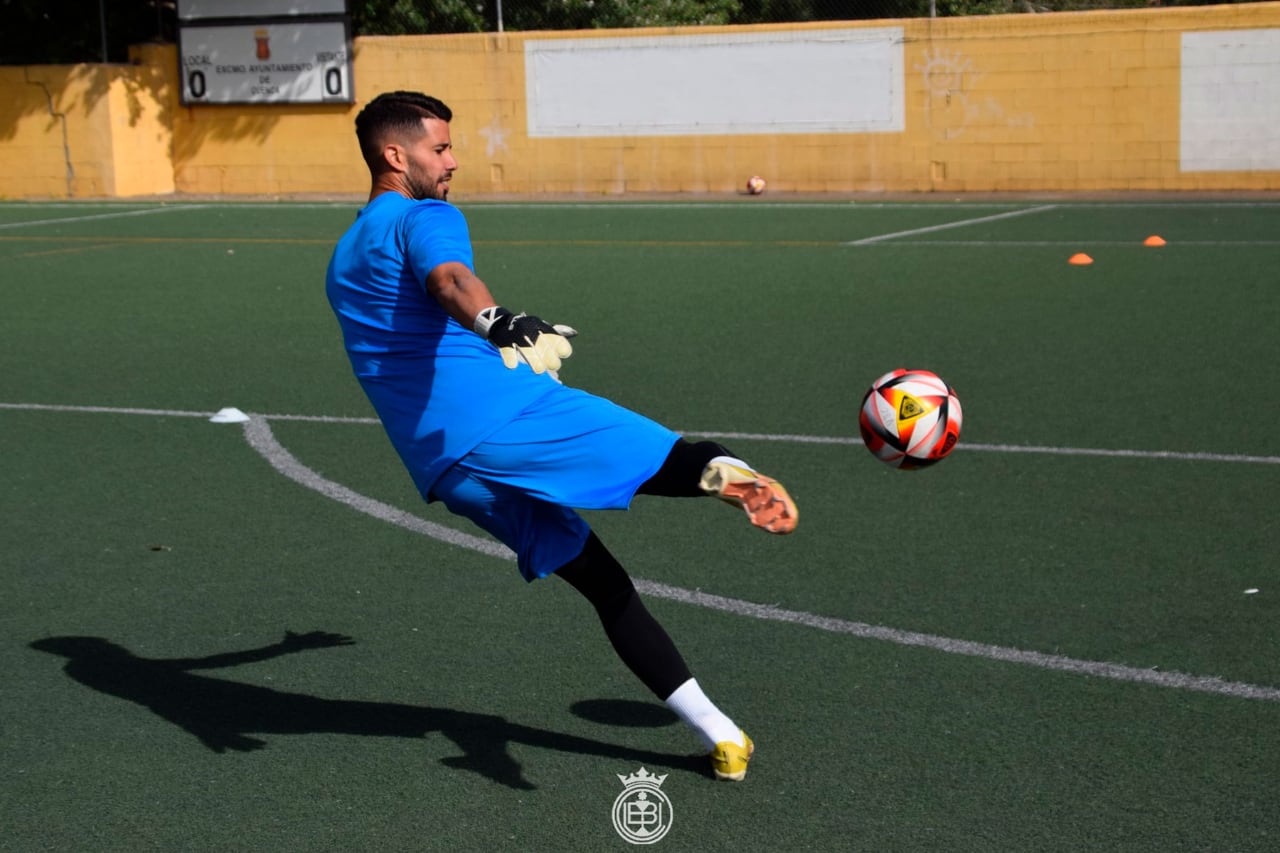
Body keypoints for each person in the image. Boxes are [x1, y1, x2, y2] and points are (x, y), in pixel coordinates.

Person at [325, 91, 798, 782]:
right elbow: (450, 279)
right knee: (675, 455)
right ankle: (723, 476)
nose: (454, 161)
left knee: (604, 583)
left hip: (445, 470)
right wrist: (496, 321)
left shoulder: (345, 251)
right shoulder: (426, 215)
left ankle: (722, 736)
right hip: (506, 419)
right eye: (440, 148)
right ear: (396, 156)